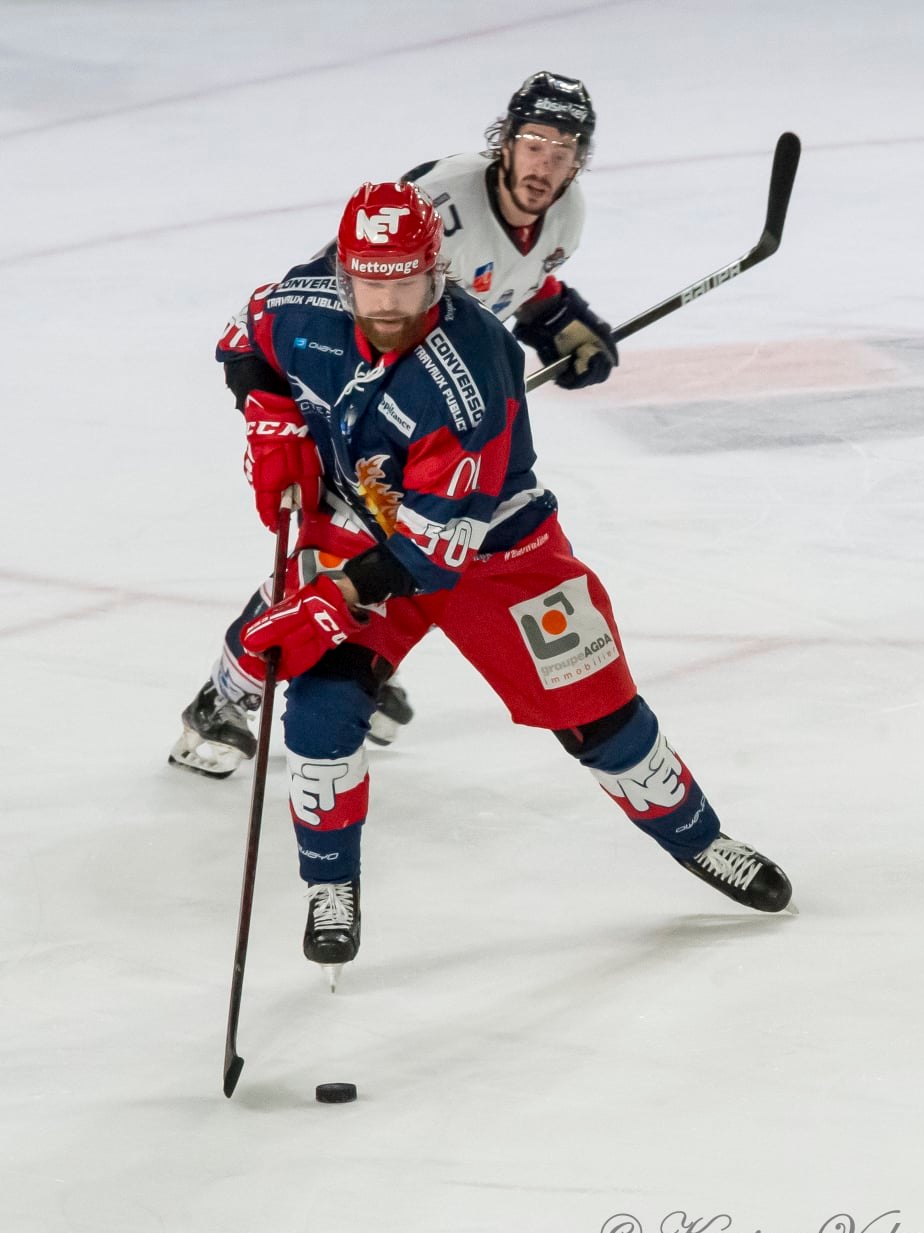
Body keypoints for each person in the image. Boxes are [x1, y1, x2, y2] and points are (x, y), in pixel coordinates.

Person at [217, 181, 790, 982]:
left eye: (406, 282)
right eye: (370, 282)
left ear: (438, 273)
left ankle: (701, 838)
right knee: (320, 706)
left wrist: (330, 598)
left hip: (496, 549)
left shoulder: (474, 365)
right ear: (344, 273)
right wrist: (267, 408)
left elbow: (433, 549)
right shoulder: (306, 303)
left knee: (598, 716)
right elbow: (243, 336)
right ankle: (330, 886)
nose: (387, 302)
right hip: (364, 524)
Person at [171, 71, 619, 777]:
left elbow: (517, 281)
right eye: (535, 143)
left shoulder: (567, 216)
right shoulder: (439, 201)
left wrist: (561, 322)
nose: (546, 164)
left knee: (414, 555)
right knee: (337, 559)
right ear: (505, 141)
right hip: (358, 404)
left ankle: (359, 668)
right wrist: (273, 409)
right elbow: (335, 287)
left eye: (564, 150)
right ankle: (225, 698)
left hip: (434, 426)